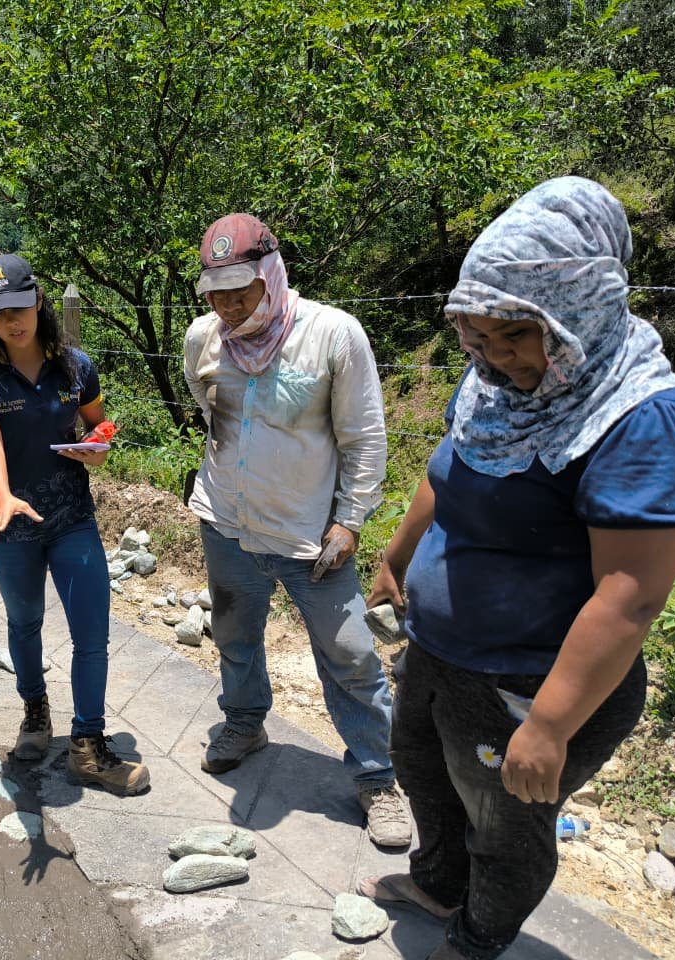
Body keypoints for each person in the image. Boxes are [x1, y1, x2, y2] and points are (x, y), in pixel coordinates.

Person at [359, 177, 675, 960]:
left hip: (527, 682)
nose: (495, 360)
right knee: (421, 768)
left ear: (576, 310)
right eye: (477, 340)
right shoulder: (495, 382)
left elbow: (630, 598)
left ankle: (479, 936)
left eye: (515, 338)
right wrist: (401, 552)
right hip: (443, 653)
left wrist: (551, 723)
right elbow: (449, 461)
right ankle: (436, 882)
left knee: (505, 825)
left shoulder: (644, 419)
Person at [183, 213, 410, 847]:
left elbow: (363, 439)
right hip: (226, 520)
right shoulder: (203, 337)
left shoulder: (333, 335)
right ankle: (246, 722)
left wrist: (350, 520)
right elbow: (209, 413)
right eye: (215, 292)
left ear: (271, 275)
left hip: (312, 535)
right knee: (233, 633)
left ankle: (378, 777)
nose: (228, 306)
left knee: (350, 654)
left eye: (240, 290)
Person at [0, 253, 149, 797]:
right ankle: (35, 711)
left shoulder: (77, 366)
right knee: (25, 622)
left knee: (92, 632)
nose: (12, 321)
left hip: (71, 517)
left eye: (20, 306)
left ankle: (87, 743)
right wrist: (3, 496)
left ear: (38, 301)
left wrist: (100, 445)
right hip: (9, 522)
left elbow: (99, 423)